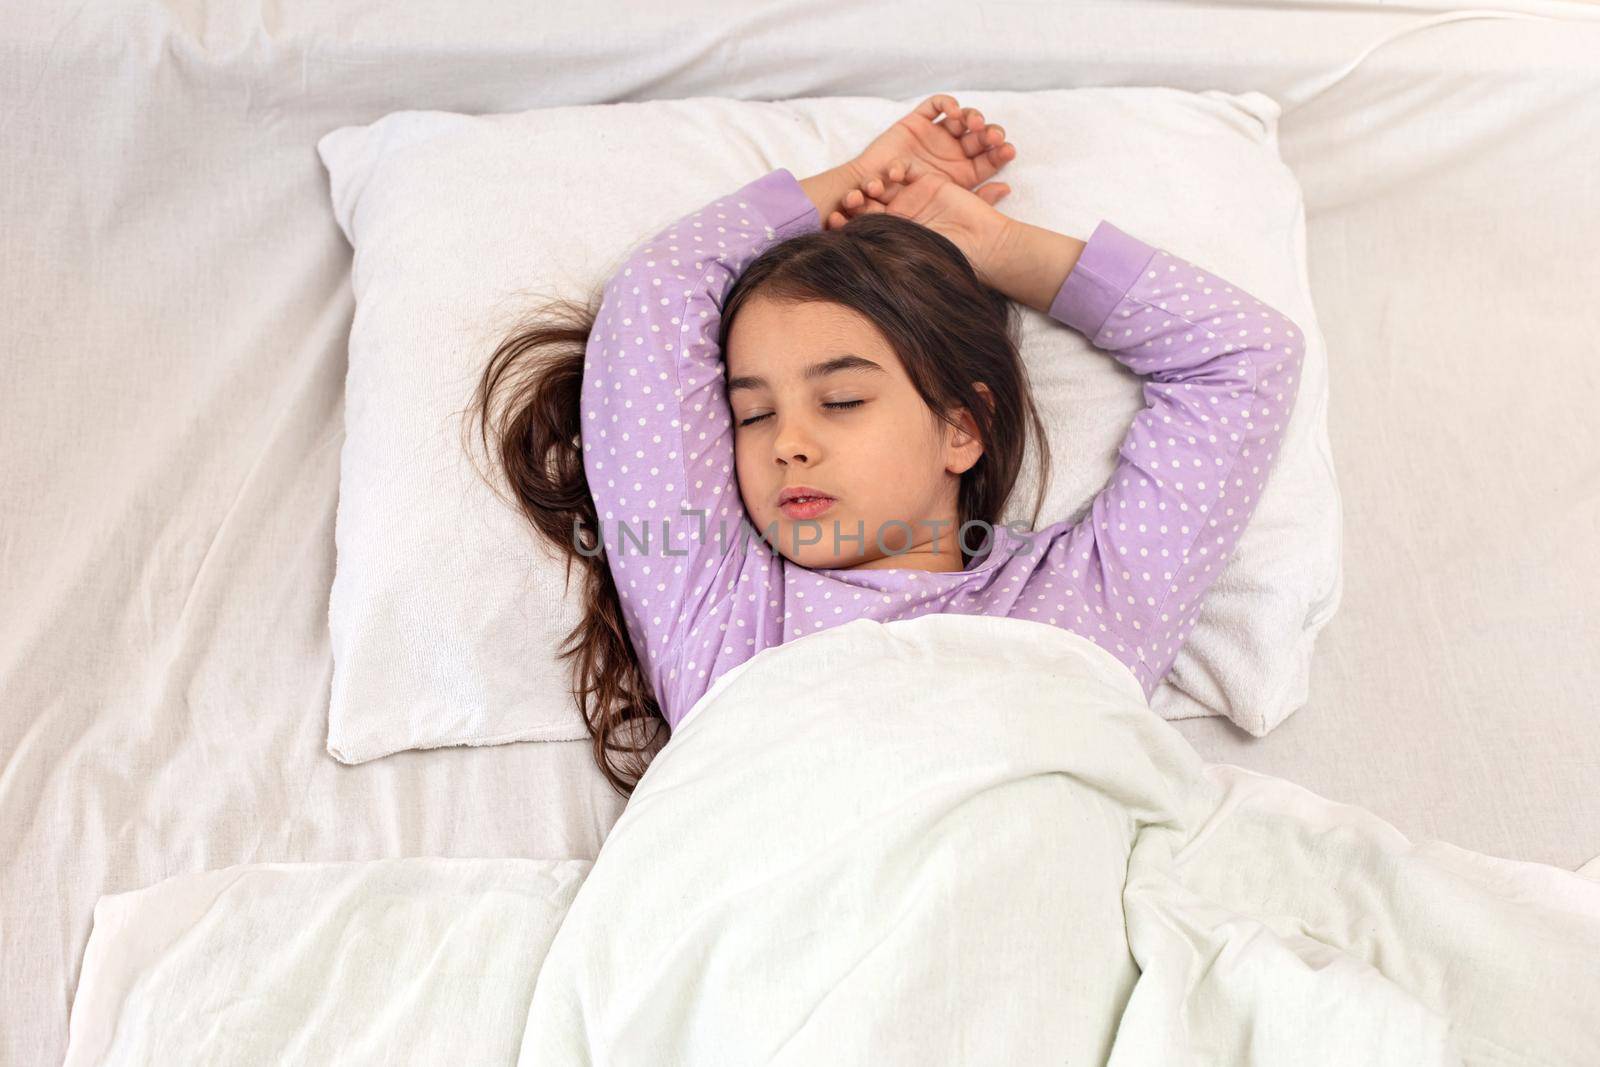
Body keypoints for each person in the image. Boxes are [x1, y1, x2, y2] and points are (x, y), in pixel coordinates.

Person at [470, 93, 1304, 796]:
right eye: (753, 415)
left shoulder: (1082, 606)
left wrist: (995, 248)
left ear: (960, 428)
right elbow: (658, 293)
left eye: (840, 399)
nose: (788, 443)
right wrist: (852, 182)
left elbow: (1245, 358)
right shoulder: (719, 604)